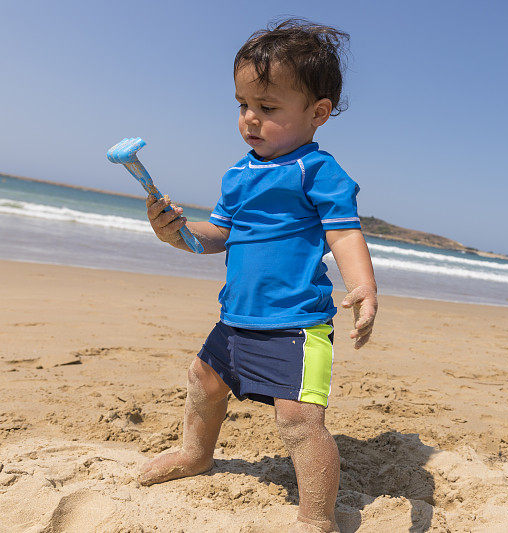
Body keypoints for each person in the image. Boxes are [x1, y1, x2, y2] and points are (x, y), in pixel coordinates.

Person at [137, 19, 377, 533]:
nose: (250, 119)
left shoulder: (318, 170)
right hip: (237, 317)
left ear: (317, 113)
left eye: (267, 109)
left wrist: (363, 286)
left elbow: (344, 234)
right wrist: (176, 232)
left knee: (299, 421)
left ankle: (317, 519)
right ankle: (195, 452)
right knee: (203, 381)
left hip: (295, 323)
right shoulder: (238, 175)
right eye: (243, 105)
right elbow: (217, 235)